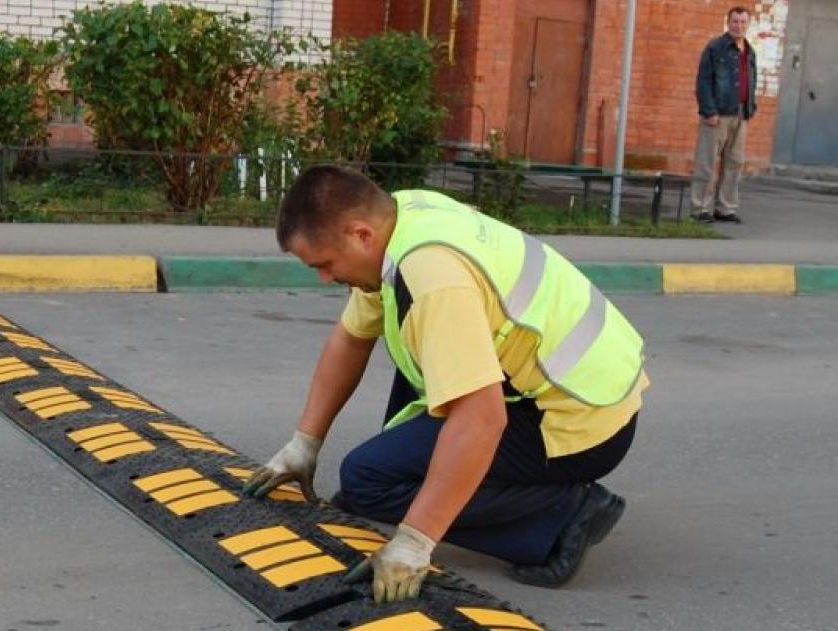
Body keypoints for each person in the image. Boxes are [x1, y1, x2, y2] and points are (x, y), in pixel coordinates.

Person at [247, 166, 648, 603]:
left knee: (367, 483)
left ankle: (564, 516)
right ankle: (476, 492)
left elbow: (482, 418)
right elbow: (350, 338)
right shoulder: (402, 220)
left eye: (325, 264)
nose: (324, 278)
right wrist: (304, 443)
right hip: (577, 387)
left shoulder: (432, 275)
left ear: (360, 234)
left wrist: (414, 542)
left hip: (578, 421)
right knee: (386, 461)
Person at [691, 6, 757, 224]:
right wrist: (708, 110)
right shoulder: (715, 48)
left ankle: (725, 207)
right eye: (735, 21)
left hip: (740, 114)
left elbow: (751, 80)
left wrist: (751, 107)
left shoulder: (749, 51)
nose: (739, 25)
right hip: (717, 114)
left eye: (743, 22)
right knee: (707, 162)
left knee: (734, 163)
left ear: (749, 24)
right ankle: (700, 208)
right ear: (728, 23)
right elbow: (703, 81)